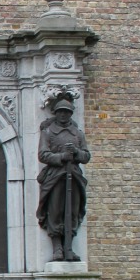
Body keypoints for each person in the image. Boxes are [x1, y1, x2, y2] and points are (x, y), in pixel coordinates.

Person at [37, 97, 90, 261]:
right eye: (60, 112)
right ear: (56, 113)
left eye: (66, 112)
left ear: (71, 114)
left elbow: (86, 156)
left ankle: (69, 246)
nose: (63, 115)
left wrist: (75, 153)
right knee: (55, 210)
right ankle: (57, 248)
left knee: (73, 211)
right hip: (55, 177)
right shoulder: (48, 132)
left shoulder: (78, 134)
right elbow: (43, 154)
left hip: (74, 176)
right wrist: (61, 156)